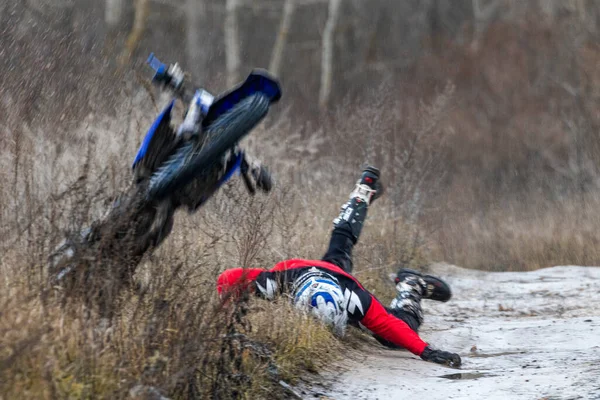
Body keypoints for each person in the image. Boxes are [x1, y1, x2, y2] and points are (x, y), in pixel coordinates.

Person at [217, 167, 462, 367]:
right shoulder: (276, 284)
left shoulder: (353, 298)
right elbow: (227, 278)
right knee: (339, 251)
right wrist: (227, 311)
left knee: (395, 335)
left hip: (325, 275)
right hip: (318, 271)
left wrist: (425, 351)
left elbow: (392, 326)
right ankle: (361, 195)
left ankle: (411, 287)